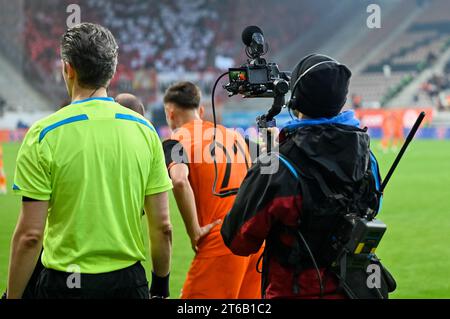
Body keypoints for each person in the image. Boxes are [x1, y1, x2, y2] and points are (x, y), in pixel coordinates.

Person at [7, 23, 173, 299]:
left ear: (68, 69)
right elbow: (163, 227)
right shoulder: (145, 131)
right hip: (128, 283)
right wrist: (161, 288)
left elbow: (30, 236)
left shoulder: (43, 134)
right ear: (112, 71)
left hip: (64, 284)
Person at [221, 54, 391, 299]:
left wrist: (256, 178)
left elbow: (238, 240)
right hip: (354, 290)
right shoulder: (368, 158)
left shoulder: (277, 166)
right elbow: (372, 208)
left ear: (295, 102)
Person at [162, 81, 262, 299]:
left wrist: (193, 231)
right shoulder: (236, 136)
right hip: (254, 240)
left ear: (170, 113)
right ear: (201, 110)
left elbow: (179, 180)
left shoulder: (176, 141)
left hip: (221, 240)